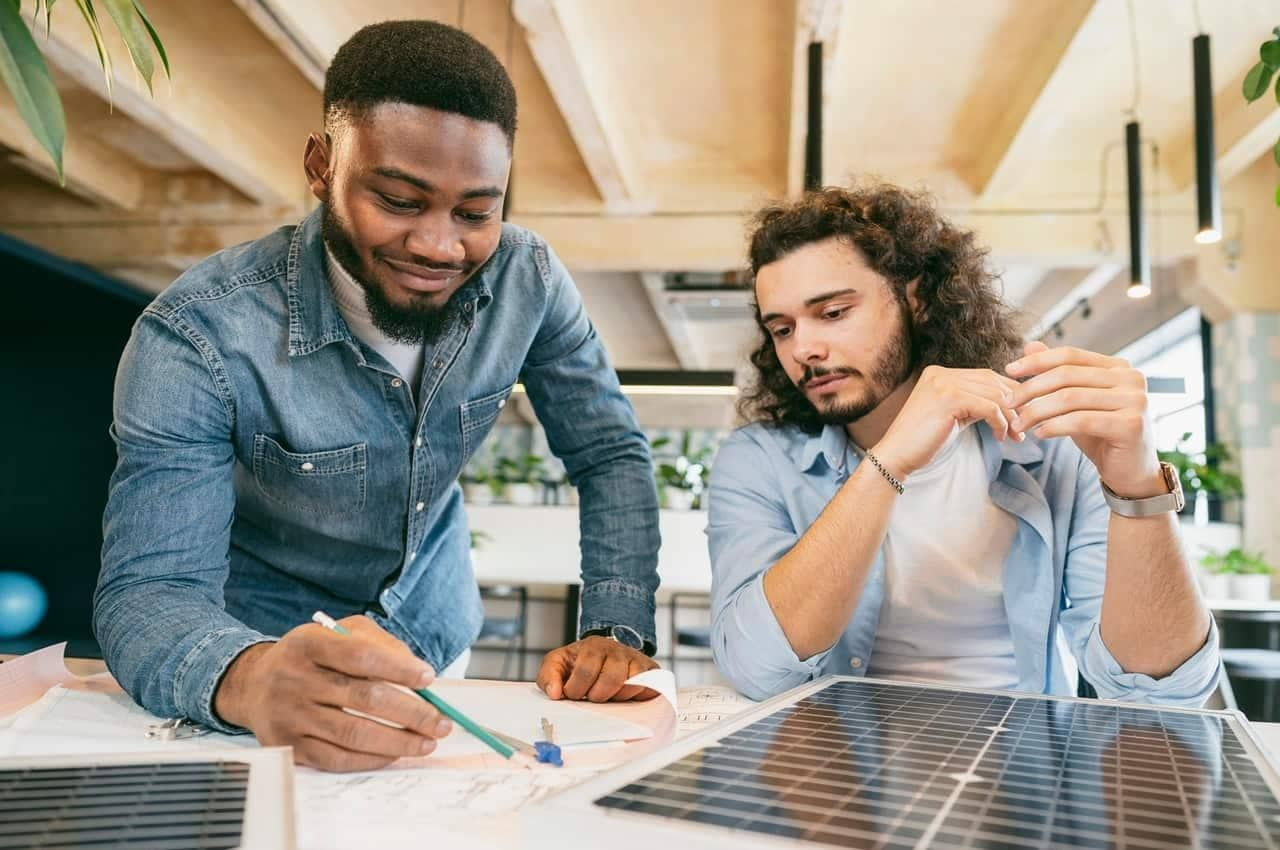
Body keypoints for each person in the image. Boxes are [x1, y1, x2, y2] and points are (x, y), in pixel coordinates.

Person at [96, 20, 660, 773]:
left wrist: (616, 632)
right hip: (265, 667)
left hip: (434, 637)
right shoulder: (197, 336)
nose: (438, 246)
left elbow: (609, 452)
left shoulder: (528, 278)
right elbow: (150, 591)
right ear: (321, 166)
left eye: (474, 213)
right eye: (399, 200)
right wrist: (250, 677)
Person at [707, 183, 1219, 705]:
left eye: (834, 312)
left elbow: (1161, 693)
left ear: (918, 300)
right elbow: (757, 670)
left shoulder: (1054, 446)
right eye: (783, 328)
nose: (804, 349)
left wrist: (1137, 486)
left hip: (1025, 764)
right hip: (835, 770)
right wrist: (890, 459)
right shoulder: (758, 459)